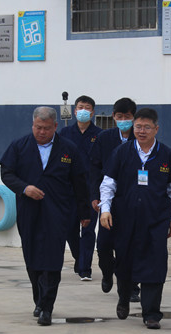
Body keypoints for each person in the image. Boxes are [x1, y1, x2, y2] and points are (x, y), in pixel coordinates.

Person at [0, 106, 91, 326]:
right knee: (32, 257)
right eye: (38, 127)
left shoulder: (68, 149)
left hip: (57, 212)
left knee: (52, 259)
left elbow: (80, 182)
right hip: (28, 210)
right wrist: (24, 188)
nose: (42, 132)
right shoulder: (19, 146)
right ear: (32, 125)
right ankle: (39, 300)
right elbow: (6, 173)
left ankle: (47, 308)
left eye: (47, 128)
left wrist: (84, 212)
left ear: (55, 126)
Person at [99, 108, 171, 329]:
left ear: (156, 129)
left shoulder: (167, 155)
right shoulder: (121, 152)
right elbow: (108, 184)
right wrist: (105, 210)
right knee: (124, 261)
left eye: (147, 127)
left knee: (155, 263)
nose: (142, 131)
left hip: (156, 220)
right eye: (138, 127)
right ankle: (124, 297)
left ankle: (152, 313)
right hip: (124, 218)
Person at [89, 97, 141, 302]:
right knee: (103, 245)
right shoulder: (104, 138)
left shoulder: (140, 139)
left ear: (134, 117)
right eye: (120, 116)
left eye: (127, 117)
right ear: (113, 117)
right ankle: (107, 272)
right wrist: (95, 196)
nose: (123, 120)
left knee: (130, 246)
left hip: (132, 200)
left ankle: (131, 286)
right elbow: (94, 169)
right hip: (108, 201)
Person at [59, 95, 102, 281]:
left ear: (92, 112)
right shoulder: (65, 133)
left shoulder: (100, 135)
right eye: (80, 107)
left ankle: (85, 268)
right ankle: (79, 258)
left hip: (91, 190)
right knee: (69, 229)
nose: (83, 110)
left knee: (88, 229)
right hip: (69, 190)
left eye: (87, 107)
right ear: (75, 110)